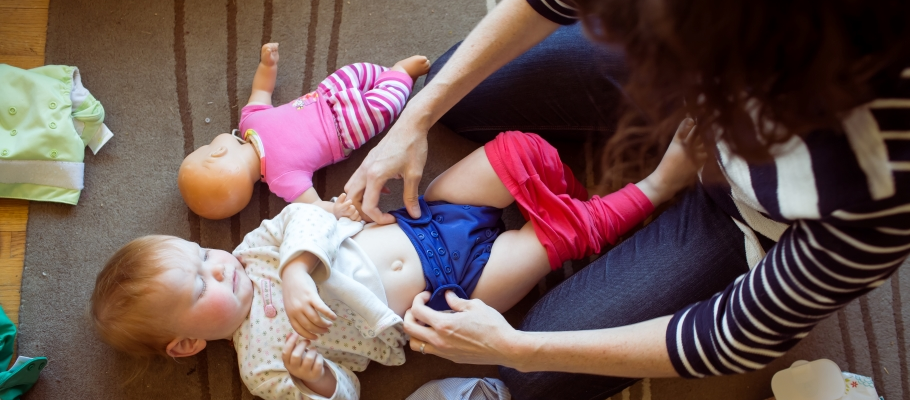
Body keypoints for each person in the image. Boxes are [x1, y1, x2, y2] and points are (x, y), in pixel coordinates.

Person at [343, 0, 910, 398]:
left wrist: (518, 349)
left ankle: (667, 186)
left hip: (747, 218)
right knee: (455, 92)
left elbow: (738, 333)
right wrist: (415, 118)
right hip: (688, 64)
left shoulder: (880, 192)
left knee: (534, 377)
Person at [89, 128, 704, 400]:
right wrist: (317, 379)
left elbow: (304, 219)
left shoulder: (253, 252)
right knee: (557, 239)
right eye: (200, 284)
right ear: (187, 345)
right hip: (449, 290)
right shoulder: (263, 367)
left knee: (511, 152)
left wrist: (299, 269)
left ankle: (564, 185)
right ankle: (655, 187)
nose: (217, 266)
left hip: (424, 215)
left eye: (202, 254)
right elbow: (348, 391)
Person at [178, 42, 430, 220]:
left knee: (362, 79)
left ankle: (389, 76)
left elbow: (262, 91)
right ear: (218, 151)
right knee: (380, 103)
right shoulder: (280, 178)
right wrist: (337, 210)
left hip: (325, 96)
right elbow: (315, 206)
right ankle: (401, 74)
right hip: (347, 129)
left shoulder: (250, 126)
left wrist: (268, 66)